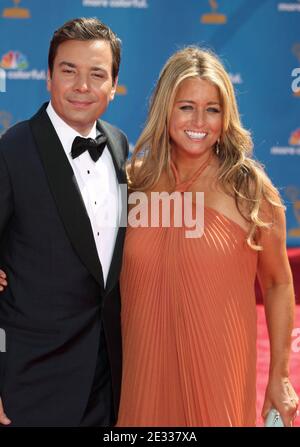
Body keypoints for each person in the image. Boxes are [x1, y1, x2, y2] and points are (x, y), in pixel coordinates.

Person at [115, 47, 299, 426]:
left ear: (225, 115)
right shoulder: (132, 182)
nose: (199, 121)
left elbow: (279, 283)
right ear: (166, 108)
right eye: (186, 107)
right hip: (140, 376)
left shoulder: (248, 189)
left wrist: (279, 376)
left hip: (219, 379)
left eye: (212, 109)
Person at [0, 17, 128, 426]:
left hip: (108, 380)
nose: (82, 86)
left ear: (113, 86)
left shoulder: (119, 144)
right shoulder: (12, 150)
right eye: (69, 70)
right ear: (48, 78)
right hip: (33, 381)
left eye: (97, 74)